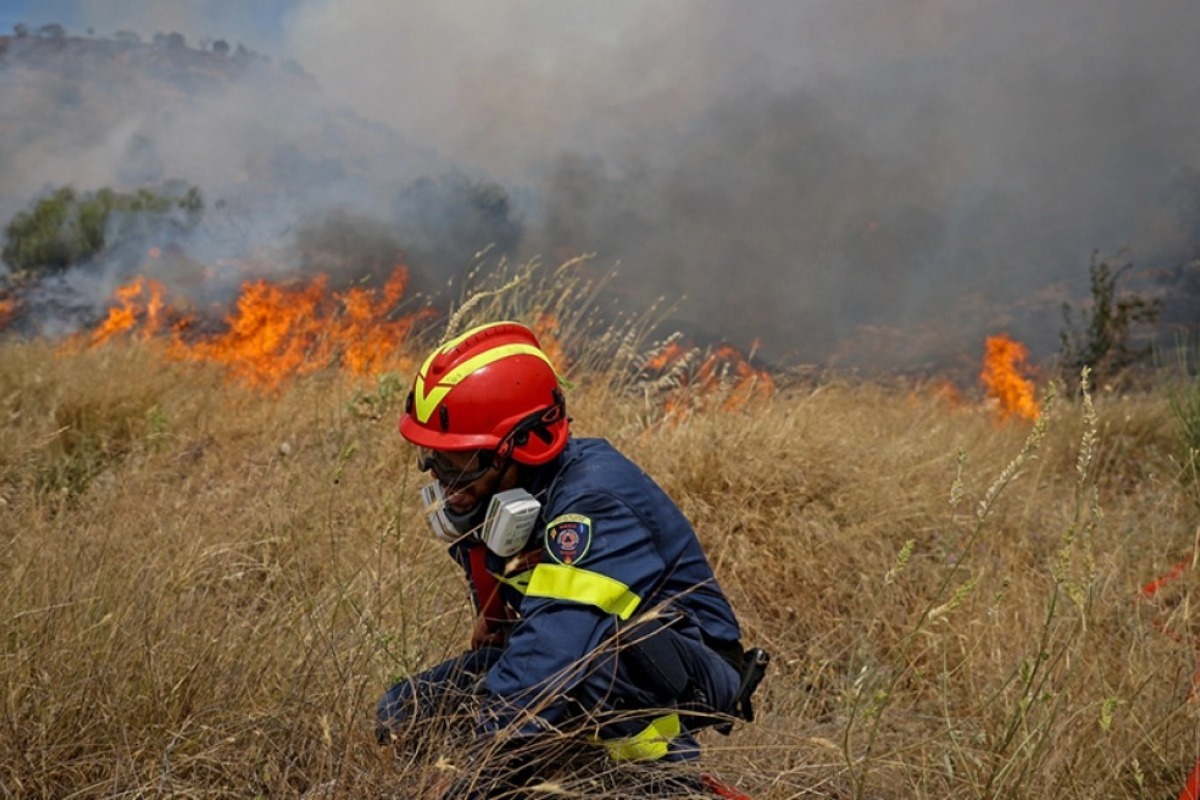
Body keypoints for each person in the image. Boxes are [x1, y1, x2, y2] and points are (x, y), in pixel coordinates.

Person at [376, 320, 767, 797]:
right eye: (432, 457)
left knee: (600, 667)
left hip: (677, 665)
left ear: (522, 446)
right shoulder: (497, 497)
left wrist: (472, 779)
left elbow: (545, 661)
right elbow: (513, 632)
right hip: (576, 645)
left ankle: (665, 784)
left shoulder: (593, 503)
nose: (440, 477)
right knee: (405, 710)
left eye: (458, 460)